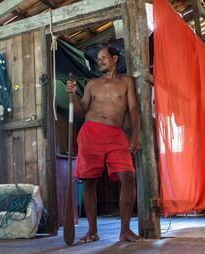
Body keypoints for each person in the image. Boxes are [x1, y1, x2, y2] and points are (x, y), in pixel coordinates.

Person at [66, 47, 142, 243]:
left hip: (116, 134)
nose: (100, 61)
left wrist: (135, 135)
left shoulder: (126, 82)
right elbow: (82, 108)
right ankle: (92, 231)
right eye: (98, 59)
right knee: (89, 181)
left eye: (103, 58)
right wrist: (73, 94)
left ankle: (125, 230)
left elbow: (133, 109)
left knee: (128, 176)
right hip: (90, 133)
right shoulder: (92, 83)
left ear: (115, 58)